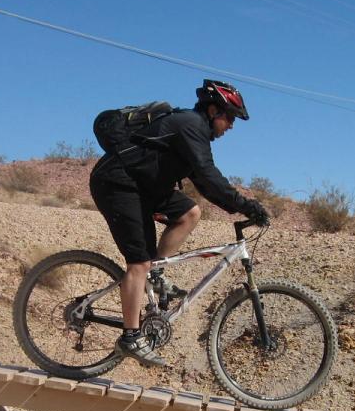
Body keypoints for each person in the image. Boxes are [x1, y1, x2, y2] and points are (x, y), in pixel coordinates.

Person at [89, 79, 269, 367]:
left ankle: (155, 274)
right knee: (138, 263)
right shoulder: (189, 124)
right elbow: (209, 177)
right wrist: (247, 206)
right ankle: (130, 337)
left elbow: (204, 182)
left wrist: (239, 205)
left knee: (189, 213)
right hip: (116, 183)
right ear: (213, 111)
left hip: (142, 187)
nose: (231, 126)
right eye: (230, 118)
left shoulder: (194, 132)